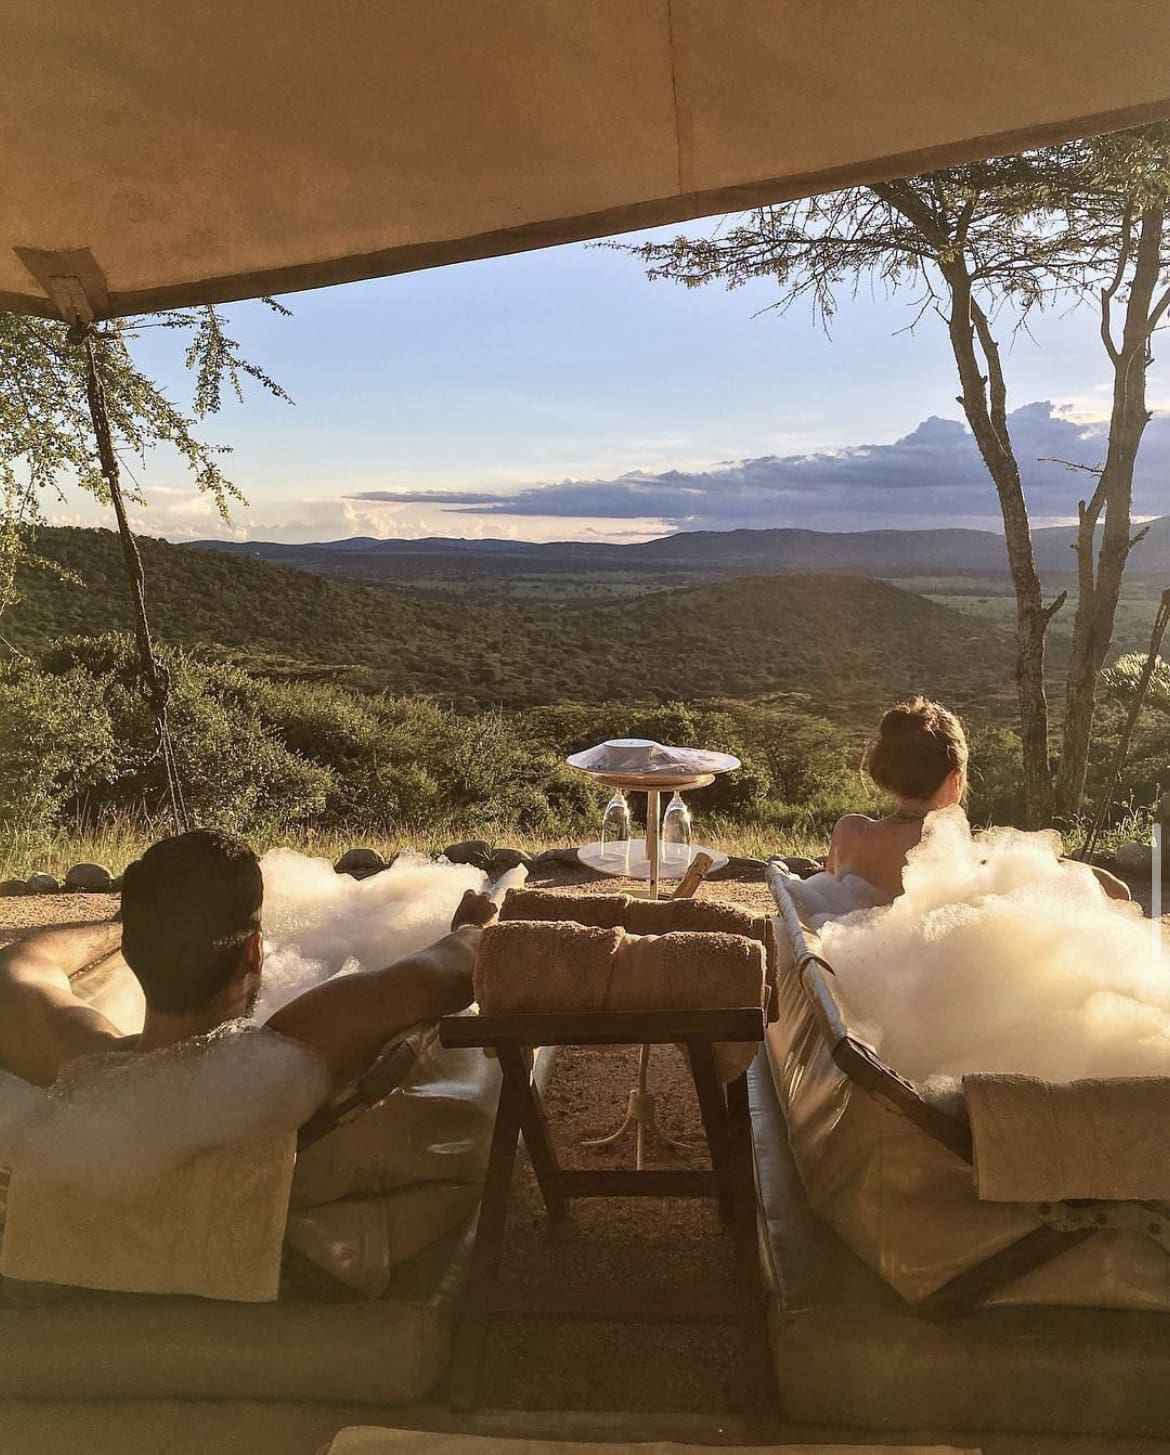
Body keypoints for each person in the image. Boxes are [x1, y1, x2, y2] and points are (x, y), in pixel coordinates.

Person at [0, 829, 498, 1092]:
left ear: (130, 951)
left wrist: (131, 924)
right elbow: (453, 967)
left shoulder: (80, 1062)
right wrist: (472, 924)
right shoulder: (295, 1047)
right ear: (254, 951)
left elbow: (21, 961)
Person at [825, 696, 1129, 904]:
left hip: (850, 982)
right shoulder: (964, 857)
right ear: (955, 779)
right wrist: (1046, 860)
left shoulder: (848, 832)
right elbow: (1118, 892)